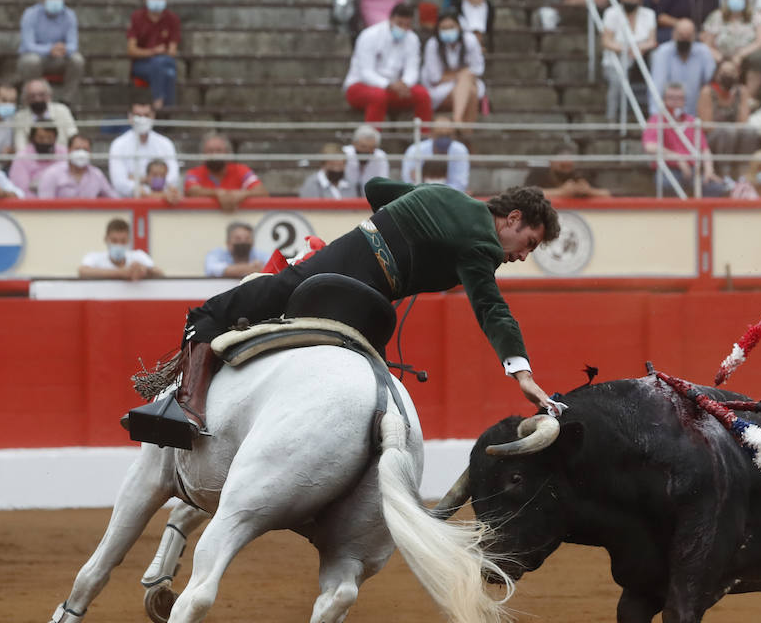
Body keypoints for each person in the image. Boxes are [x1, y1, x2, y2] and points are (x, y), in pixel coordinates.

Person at [150, 180, 562, 436]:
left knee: (213, 313)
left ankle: (187, 409)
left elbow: (377, 187)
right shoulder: (483, 245)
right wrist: (521, 373)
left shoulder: (444, 195)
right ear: (511, 219)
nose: (523, 255)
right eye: (528, 243)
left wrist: (398, 222)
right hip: (367, 303)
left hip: (338, 269)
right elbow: (492, 308)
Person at [344, 3, 432, 123]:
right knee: (378, 96)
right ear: (390, 19)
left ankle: (423, 137)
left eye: (407, 25)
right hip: (360, 87)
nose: (403, 28)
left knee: (422, 95)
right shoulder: (369, 36)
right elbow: (366, 72)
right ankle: (372, 139)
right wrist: (388, 85)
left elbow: (412, 70)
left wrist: (405, 83)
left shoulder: (412, 39)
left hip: (395, 89)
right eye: (399, 23)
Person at [643, 82, 725, 195]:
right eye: (671, 98)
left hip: (693, 171)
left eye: (679, 98)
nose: (675, 102)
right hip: (668, 170)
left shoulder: (692, 121)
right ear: (664, 100)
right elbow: (650, 146)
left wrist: (708, 170)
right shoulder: (657, 120)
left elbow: (704, 149)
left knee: (717, 187)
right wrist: (678, 158)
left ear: (684, 101)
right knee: (665, 184)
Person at [602, 0, 659, 122]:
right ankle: (611, 120)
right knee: (616, 82)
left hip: (642, 57)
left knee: (657, 59)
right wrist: (627, 49)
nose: (629, 0)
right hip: (617, 57)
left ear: (640, 0)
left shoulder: (649, 14)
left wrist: (639, 49)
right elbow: (606, 41)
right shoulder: (612, 13)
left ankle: (656, 114)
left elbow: (652, 41)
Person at [18, 0, 84, 98]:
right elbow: (28, 45)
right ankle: (33, 100)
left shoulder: (69, 15)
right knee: (31, 61)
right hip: (37, 58)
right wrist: (49, 49)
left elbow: (73, 45)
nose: (55, 0)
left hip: (59, 58)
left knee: (77, 60)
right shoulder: (30, 14)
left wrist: (63, 49)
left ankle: (67, 100)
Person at [422, 11, 487, 127]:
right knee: (469, 88)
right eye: (444, 28)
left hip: (466, 84)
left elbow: (478, 69)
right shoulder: (433, 44)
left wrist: (451, 74)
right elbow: (435, 78)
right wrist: (462, 74)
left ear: (459, 27)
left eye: (451, 27)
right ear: (438, 29)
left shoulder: (469, 40)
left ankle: (458, 120)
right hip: (440, 90)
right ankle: (464, 133)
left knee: (469, 84)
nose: (448, 31)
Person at [697, 58, 759, 177]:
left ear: (738, 73)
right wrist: (730, 129)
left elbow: (743, 121)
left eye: (731, 72)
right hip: (713, 138)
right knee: (728, 131)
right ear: (717, 73)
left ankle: (744, 173)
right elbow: (707, 125)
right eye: (724, 72)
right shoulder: (708, 91)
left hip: (734, 134)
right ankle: (724, 173)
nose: (728, 75)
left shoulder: (742, 91)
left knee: (750, 132)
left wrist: (734, 95)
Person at [702, 0, 761, 94]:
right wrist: (720, 58)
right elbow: (706, 43)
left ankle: (749, 97)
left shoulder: (757, 16)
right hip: (721, 55)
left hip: (746, 56)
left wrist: (740, 55)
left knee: (759, 58)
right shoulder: (717, 16)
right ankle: (713, 94)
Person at [108, 98, 180, 197]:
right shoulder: (118, 145)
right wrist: (152, 184)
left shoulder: (166, 144)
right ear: (130, 117)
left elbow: (173, 178)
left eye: (146, 115)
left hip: (161, 205)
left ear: (153, 116)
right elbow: (120, 183)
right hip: (128, 205)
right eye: (138, 115)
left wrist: (136, 179)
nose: (142, 119)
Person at [126, 0, 180, 111]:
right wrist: (153, 51)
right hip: (142, 64)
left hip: (165, 61)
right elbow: (131, 50)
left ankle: (158, 102)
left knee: (161, 64)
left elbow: (172, 51)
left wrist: (158, 55)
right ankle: (164, 109)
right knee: (168, 74)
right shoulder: (137, 18)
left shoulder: (172, 19)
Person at [183, 132, 267, 212]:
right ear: (203, 154)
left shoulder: (240, 170)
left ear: (227, 153)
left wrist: (243, 194)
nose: (214, 155)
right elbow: (192, 191)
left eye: (219, 150)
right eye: (210, 151)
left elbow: (262, 192)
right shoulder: (193, 173)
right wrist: (217, 193)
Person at [649, 18, 717, 114]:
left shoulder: (703, 52)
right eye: (681, 35)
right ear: (673, 34)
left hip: (696, 112)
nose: (684, 39)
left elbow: (710, 82)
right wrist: (656, 117)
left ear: (694, 36)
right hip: (669, 115)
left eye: (688, 36)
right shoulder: (663, 52)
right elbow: (657, 86)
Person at [401, 118, 472, 191]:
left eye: (447, 135)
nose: (444, 139)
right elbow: (408, 181)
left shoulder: (460, 150)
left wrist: (438, 192)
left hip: (450, 196)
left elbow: (461, 184)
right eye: (440, 135)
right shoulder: (415, 150)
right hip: (421, 194)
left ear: (453, 136)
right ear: (431, 134)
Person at [36, 133, 116, 199]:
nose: (81, 153)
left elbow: (114, 199)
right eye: (77, 149)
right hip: (59, 216)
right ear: (69, 150)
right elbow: (44, 204)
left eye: (85, 150)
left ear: (90, 153)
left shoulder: (97, 174)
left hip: (89, 216)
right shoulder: (52, 174)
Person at [80, 218, 163, 280]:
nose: (119, 244)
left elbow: (159, 273)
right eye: (114, 240)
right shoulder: (94, 257)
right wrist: (121, 273)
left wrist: (145, 270)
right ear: (106, 239)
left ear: (129, 240)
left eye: (123, 241)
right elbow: (82, 271)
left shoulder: (138, 255)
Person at [526, 140, 613, 198]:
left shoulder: (578, 175)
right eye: (562, 161)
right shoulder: (539, 172)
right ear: (551, 161)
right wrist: (561, 192)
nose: (567, 163)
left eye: (570, 161)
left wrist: (589, 191)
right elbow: (526, 195)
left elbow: (607, 194)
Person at [11, 78, 77, 152]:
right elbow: (20, 146)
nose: (37, 99)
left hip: (63, 158)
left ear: (48, 95)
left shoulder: (62, 110)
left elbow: (73, 136)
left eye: (41, 95)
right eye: (32, 96)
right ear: (26, 99)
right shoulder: (20, 117)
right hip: (31, 160)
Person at [9, 124, 65, 193]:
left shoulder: (64, 153)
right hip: (33, 201)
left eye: (49, 138)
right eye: (41, 138)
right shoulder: (22, 157)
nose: (45, 141)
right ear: (32, 139)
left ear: (55, 138)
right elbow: (21, 190)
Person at [343, 124, 392, 193]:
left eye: (371, 148)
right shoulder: (344, 154)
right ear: (354, 143)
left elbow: (384, 183)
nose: (367, 151)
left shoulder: (380, 156)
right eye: (363, 146)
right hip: (344, 198)